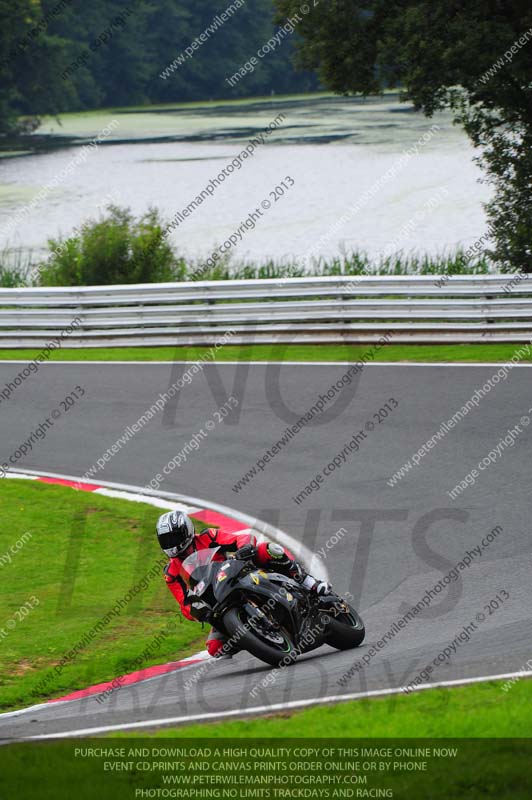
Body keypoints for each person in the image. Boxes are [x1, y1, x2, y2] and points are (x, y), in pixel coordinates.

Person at [157, 510, 331, 658]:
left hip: (237, 573)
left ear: (186, 530)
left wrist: (244, 548)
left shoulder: (207, 536)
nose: (171, 544)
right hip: (216, 602)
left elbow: (240, 539)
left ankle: (308, 582)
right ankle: (255, 636)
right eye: (166, 540)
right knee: (215, 648)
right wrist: (196, 611)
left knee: (267, 549)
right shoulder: (171, 573)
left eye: (173, 537)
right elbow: (184, 603)